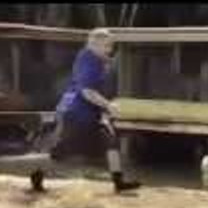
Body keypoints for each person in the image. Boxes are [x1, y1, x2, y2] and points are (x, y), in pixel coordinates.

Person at [31, 28, 141, 194]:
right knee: (61, 153)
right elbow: (87, 91)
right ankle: (37, 177)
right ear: (95, 45)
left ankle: (118, 181)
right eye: (108, 46)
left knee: (109, 141)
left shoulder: (90, 58)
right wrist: (108, 106)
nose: (110, 50)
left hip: (79, 112)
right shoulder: (90, 61)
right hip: (76, 114)